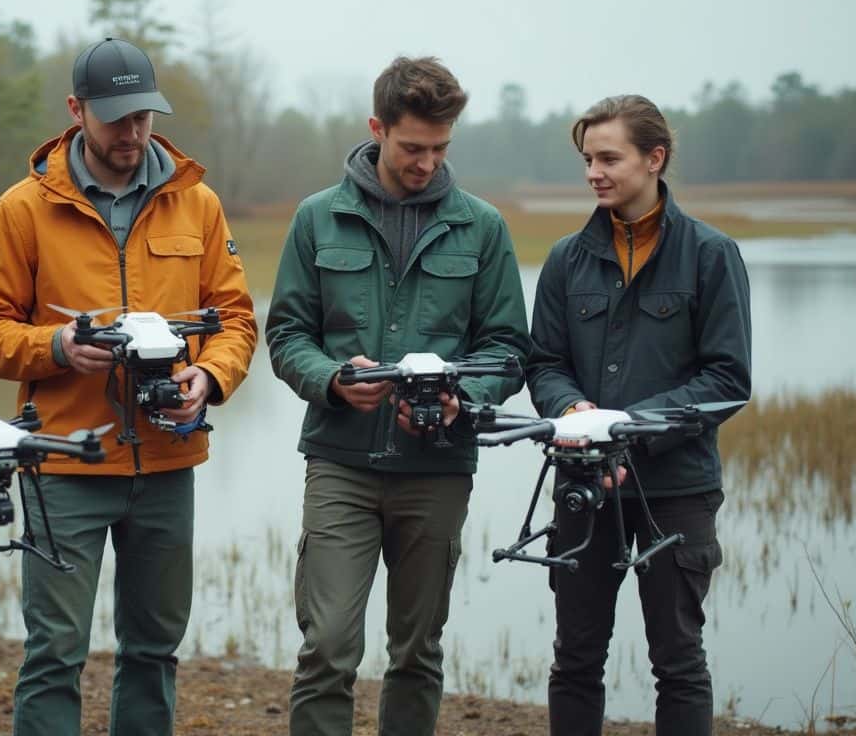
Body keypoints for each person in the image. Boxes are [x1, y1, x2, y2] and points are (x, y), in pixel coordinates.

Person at [0, 37, 257, 736]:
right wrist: (57, 347)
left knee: (154, 651)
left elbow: (237, 320)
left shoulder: (198, 204)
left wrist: (209, 376)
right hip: (63, 463)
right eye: (116, 118)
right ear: (76, 110)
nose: (132, 132)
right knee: (55, 652)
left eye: (143, 116)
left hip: (167, 463)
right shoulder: (24, 209)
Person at [265, 56, 532, 736]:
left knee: (416, 652)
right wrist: (332, 379)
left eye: (440, 148)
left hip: (438, 467)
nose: (427, 162)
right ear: (377, 128)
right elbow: (287, 334)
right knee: (327, 646)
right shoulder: (317, 218)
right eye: (413, 146)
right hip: (340, 462)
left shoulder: (483, 227)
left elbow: (508, 347)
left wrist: (464, 396)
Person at [525, 94, 752, 736]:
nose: (594, 173)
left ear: (655, 158)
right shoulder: (566, 259)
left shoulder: (711, 254)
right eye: (587, 160)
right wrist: (573, 408)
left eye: (609, 158)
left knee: (678, 663)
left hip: (677, 490)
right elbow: (544, 362)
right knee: (575, 658)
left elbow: (727, 379)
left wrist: (627, 429)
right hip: (583, 486)